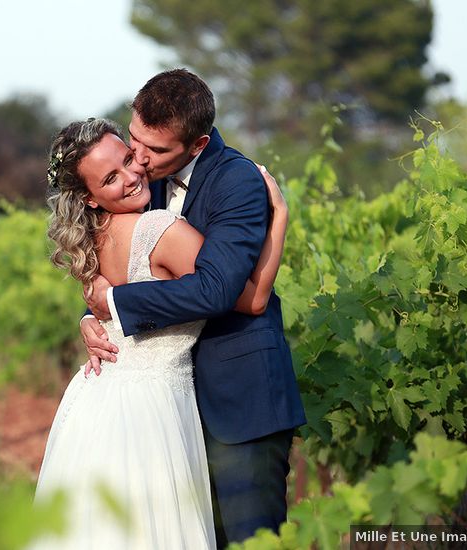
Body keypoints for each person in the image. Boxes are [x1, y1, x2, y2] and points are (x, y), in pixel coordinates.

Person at [30, 117, 288, 550]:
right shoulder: (155, 227)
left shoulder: (95, 236)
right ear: (90, 198)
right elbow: (248, 298)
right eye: (111, 178)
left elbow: (108, 299)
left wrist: (93, 316)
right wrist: (279, 217)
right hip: (151, 408)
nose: (133, 174)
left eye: (129, 159)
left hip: (98, 401)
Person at [80, 69, 307, 547]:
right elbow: (125, 264)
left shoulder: (238, 182)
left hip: (240, 402)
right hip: (170, 406)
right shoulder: (143, 179)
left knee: (249, 541)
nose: (139, 160)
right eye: (136, 140)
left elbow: (217, 291)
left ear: (198, 144)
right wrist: (94, 317)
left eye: (155, 151)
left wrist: (117, 303)